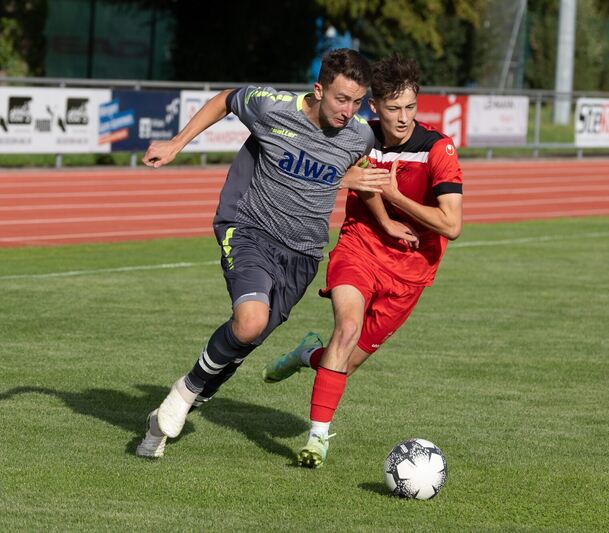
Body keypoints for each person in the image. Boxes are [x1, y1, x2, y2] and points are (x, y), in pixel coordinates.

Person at [135, 49, 391, 458]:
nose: (348, 110)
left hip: (303, 254)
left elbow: (353, 171)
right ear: (319, 89)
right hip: (251, 229)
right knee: (250, 321)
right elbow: (225, 99)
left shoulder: (358, 135)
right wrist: (176, 143)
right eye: (341, 99)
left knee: (243, 344)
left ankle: (167, 419)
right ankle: (183, 394)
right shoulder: (272, 107)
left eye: (357, 102)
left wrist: (365, 195)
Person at [262, 53, 464, 468]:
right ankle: (317, 440)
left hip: (410, 273)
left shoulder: (437, 149)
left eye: (410, 107)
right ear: (375, 107)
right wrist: (386, 221)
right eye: (393, 109)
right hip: (359, 246)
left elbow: (451, 224)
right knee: (347, 328)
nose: (403, 118)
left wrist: (397, 199)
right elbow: (347, 173)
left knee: (343, 362)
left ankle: (305, 356)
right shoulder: (358, 136)